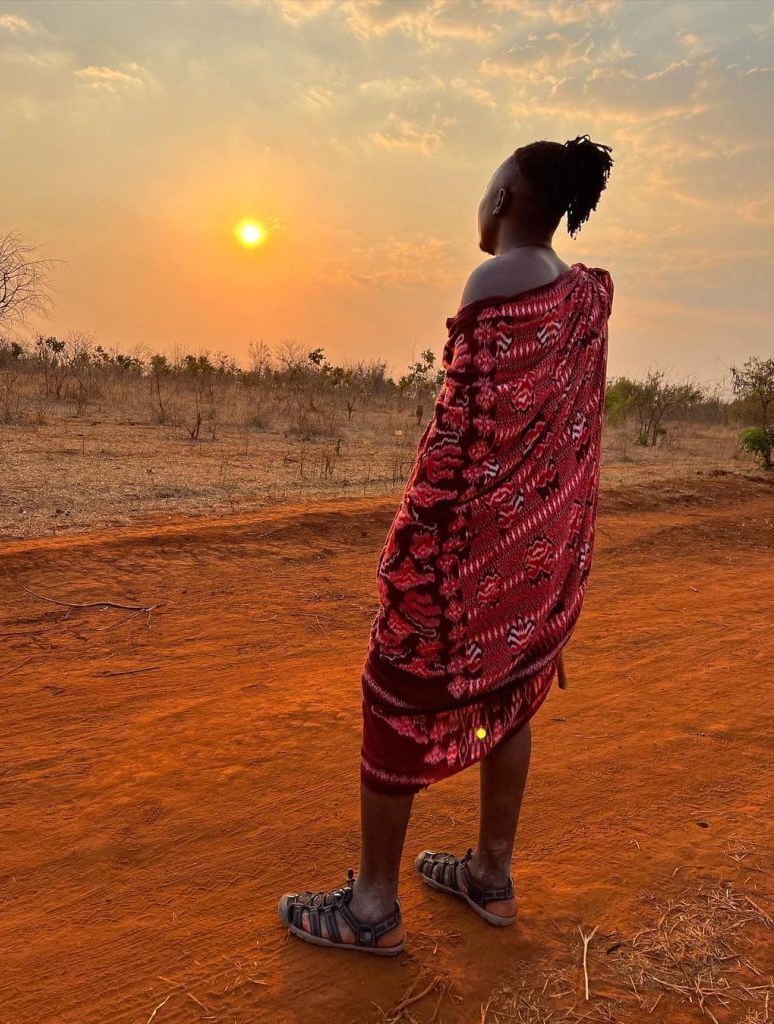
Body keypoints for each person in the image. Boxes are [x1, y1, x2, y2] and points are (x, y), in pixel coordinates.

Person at [278, 135, 615, 955]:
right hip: (533, 556)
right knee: (513, 690)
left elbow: (459, 442)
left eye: (484, 185)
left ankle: (370, 908)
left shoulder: (496, 282)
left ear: (501, 199)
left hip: (467, 555)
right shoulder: (583, 296)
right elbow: (570, 444)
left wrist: (413, 549)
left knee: (395, 694)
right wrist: (551, 559)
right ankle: (490, 876)